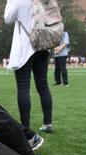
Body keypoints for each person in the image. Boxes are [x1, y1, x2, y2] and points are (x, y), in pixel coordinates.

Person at [5, 0, 54, 133]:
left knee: (23, 87)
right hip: (43, 45)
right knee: (43, 86)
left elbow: (8, 19)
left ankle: (25, 126)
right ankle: (48, 123)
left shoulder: (18, 1)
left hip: (25, 47)